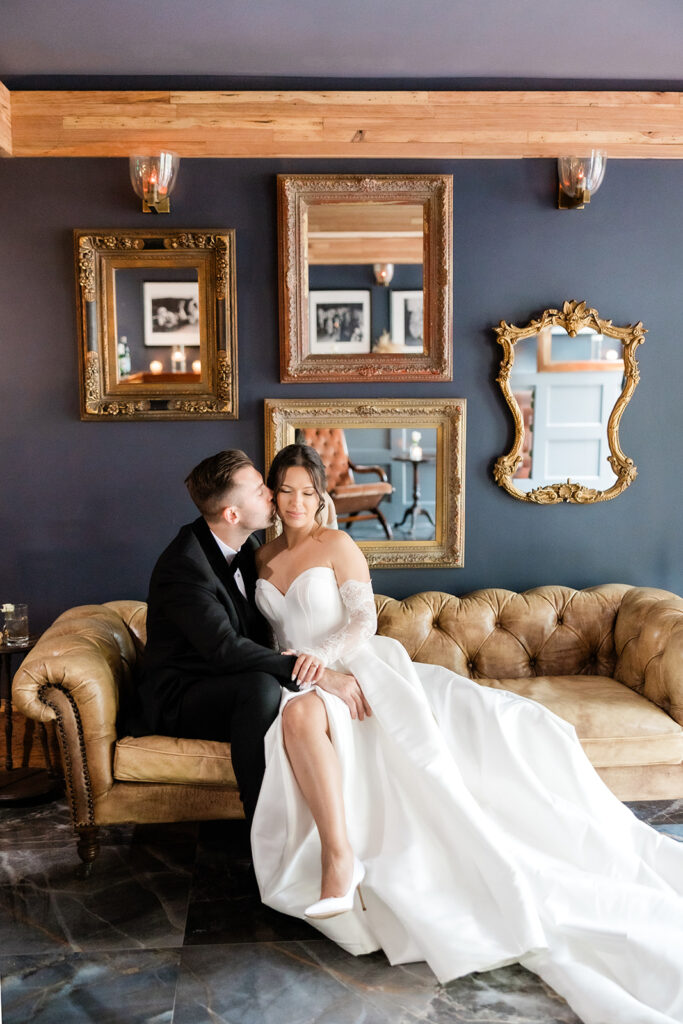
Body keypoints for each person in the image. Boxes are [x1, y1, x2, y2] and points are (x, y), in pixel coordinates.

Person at [251, 443, 683, 1024]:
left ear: (321, 495)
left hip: (354, 666)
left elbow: (363, 621)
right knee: (297, 720)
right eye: (286, 490)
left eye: (308, 492)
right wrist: (302, 671)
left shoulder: (338, 544)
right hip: (300, 683)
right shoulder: (261, 556)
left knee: (484, 737)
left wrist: (321, 661)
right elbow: (267, 635)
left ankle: (351, 858)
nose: (296, 502)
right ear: (271, 493)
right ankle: (337, 855)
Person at [137, 449, 354, 824]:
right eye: (259, 490)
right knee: (260, 688)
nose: (271, 492)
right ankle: (262, 824)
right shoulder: (184, 567)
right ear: (232, 515)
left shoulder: (250, 547)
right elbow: (225, 649)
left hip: (227, 675)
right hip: (181, 696)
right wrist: (316, 673)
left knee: (284, 693)